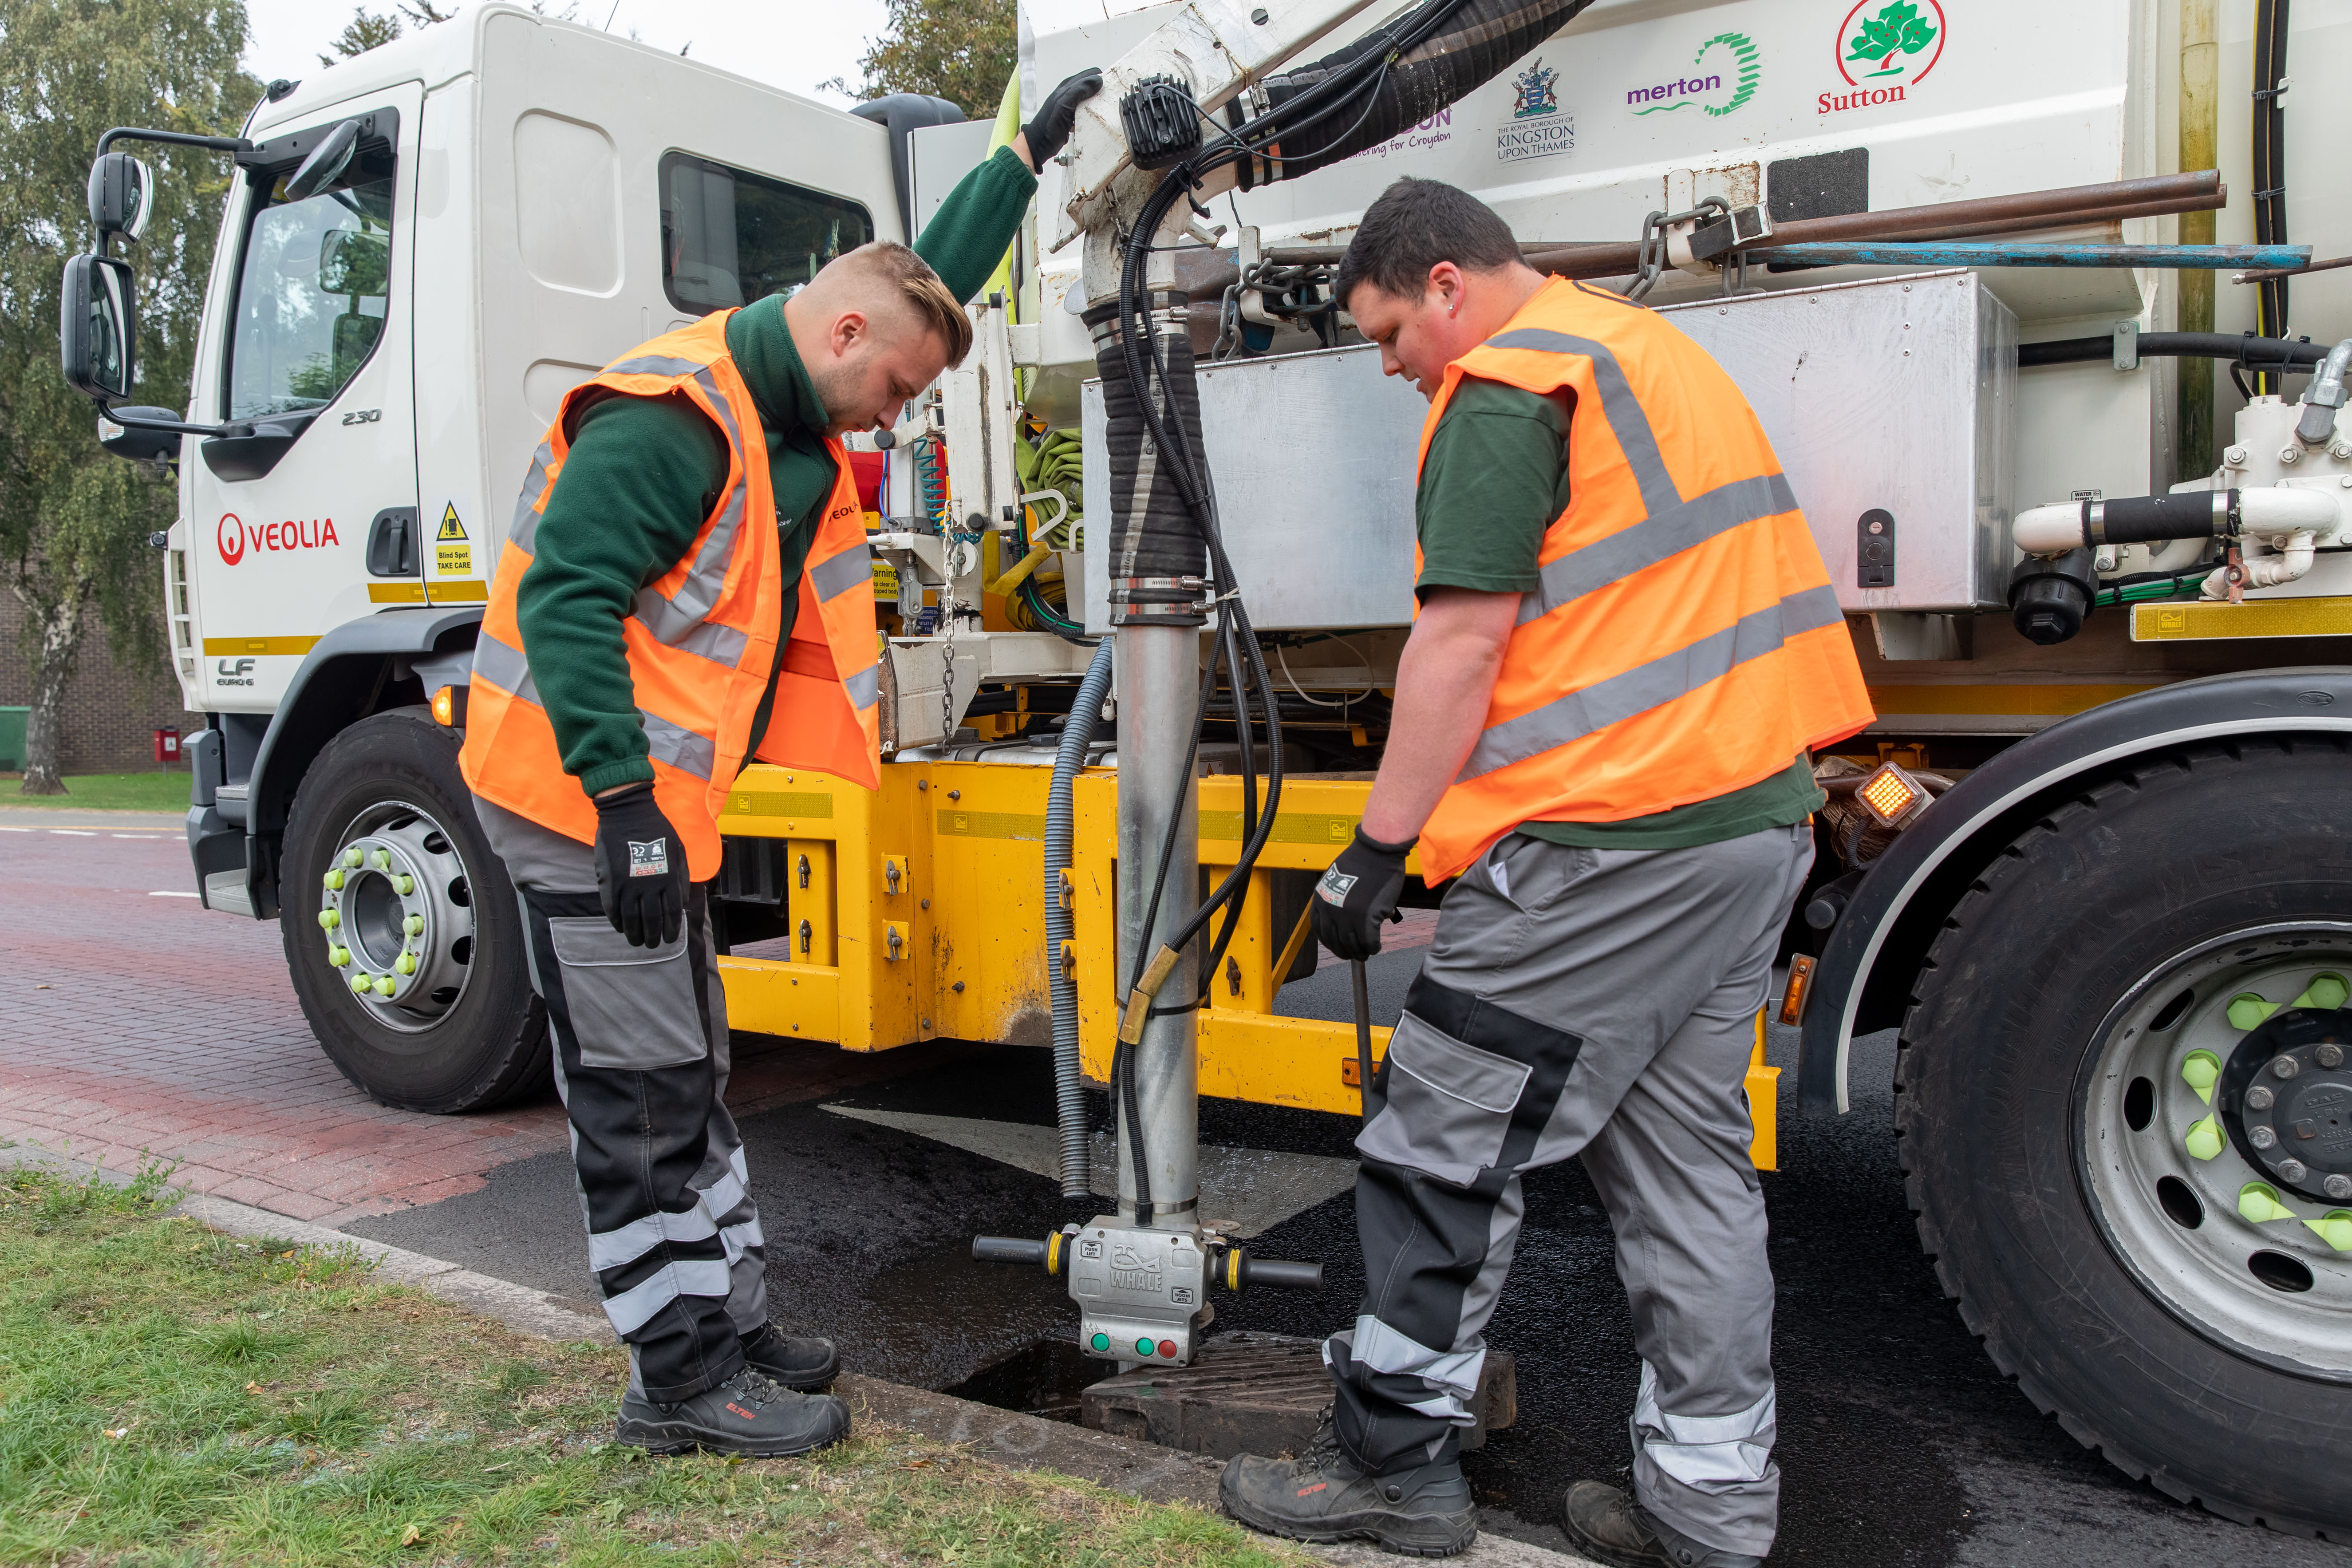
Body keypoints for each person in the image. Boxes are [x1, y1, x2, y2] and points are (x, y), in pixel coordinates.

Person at [1217, 178, 1873, 1565]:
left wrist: (1376, 852)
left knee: (1436, 1149)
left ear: (1445, 284)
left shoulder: (1511, 391)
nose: (1391, 366)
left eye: (1390, 332)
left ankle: (1392, 1467)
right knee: (1689, 1183)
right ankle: (1708, 1514)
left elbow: (1458, 647)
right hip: (1745, 826)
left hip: (1604, 846)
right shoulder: (1643, 354)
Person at [455, 69, 1105, 1460]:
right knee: (637, 1097)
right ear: (841, 332)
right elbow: (569, 603)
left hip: (646, 810)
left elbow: (932, 286)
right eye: (891, 388)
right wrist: (624, 807)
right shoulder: (674, 419)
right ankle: (679, 1383)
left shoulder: (794, 397)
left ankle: (729, 1322)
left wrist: (1023, 161)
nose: (894, 419)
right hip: (581, 804)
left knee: (689, 1070)